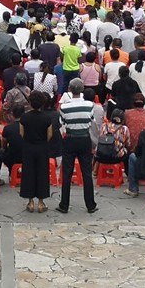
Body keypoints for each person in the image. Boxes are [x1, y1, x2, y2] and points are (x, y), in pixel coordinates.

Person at [56, 79, 98, 214]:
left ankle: (64, 205)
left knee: (67, 173)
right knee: (87, 173)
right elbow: (92, 122)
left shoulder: (64, 107)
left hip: (70, 139)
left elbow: (62, 124)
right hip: (84, 139)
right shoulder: (89, 105)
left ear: (69, 89)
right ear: (82, 90)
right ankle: (90, 205)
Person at [20, 91, 53, 213]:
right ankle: (41, 202)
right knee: (42, 173)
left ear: (30, 103)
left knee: (28, 173)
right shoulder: (47, 118)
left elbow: (21, 133)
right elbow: (49, 135)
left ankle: (30, 202)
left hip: (28, 147)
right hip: (42, 147)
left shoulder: (24, 117)